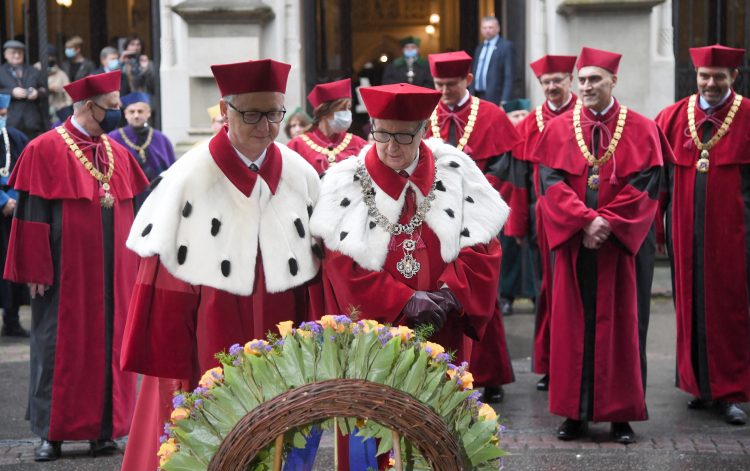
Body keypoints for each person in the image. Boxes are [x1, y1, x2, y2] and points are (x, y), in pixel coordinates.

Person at [119, 59, 323, 471]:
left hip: (284, 332)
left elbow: (321, 264)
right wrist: (173, 359)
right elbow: (164, 278)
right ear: (224, 110)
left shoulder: (301, 172)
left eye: (274, 114)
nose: (265, 126)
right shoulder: (188, 176)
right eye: (251, 114)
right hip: (210, 331)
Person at [310, 83, 509, 469]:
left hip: (443, 326)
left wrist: (453, 293)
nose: (391, 147)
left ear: (423, 130)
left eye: (404, 136)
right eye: (381, 134)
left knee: (440, 435)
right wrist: (402, 300)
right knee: (373, 432)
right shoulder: (343, 181)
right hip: (374, 336)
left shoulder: (456, 171)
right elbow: (340, 263)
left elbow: (483, 243)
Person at [3, 70, 148, 460]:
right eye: (113, 108)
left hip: (114, 272)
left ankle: (106, 430)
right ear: (89, 106)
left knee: (110, 347)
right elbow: (31, 213)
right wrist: (34, 269)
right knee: (58, 349)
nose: (117, 115)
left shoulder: (117, 153)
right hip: (65, 275)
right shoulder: (45, 148)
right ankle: (53, 433)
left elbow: (133, 212)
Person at [534, 47, 669, 443]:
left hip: (620, 249)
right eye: (583, 80)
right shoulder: (559, 130)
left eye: (596, 79)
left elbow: (647, 186)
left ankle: (621, 415)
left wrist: (606, 223)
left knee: (625, 327)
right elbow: (549, 181)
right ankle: (573, 414)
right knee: (571, 326)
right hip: (575, 243)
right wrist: (584, 220)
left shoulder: (642, 128)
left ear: (613, 81)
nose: (588, 86)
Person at [655, 44, 749, 426]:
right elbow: (658, 178)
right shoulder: (673, 116)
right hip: (684, 230)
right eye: (704, 76)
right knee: (690, 305)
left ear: (734, 78)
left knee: (730, 310)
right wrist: (656, 226)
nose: (710, 83)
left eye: (719, 77)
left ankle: (728, 391)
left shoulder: (747, 115)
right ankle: (698, 385)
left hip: (735, 235)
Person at [423, 51, 520, 403]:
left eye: (451, 84)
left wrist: (472, 200)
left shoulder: (491, 115)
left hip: (478, 221)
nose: (445, 91)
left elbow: (504, 170)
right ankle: (445, 368)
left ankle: (490, 373)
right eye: (438, 85)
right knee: (442, 290)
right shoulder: (426, 115)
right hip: (433, 220)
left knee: (482, 295)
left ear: (468, 80)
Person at [503, 54, 579, 392]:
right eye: (545, 82)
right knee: (546, 292)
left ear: (570, 80)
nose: (551, 87)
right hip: (541, 223)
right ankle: (549, 364)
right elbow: (518, 180)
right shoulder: (528, 125)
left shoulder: (584, 116)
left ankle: (579, 362)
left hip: (580, 220)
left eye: (557, 80)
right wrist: (518, 226)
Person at [107, 92, 175, 211]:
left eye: (140, 111)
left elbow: (172, 173)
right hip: (125, 202)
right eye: (132, 112)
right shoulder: (113, 139)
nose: (136, 115)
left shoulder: (161, 139)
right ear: (125, 114)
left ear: (148, 113)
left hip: (156, 201)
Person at [287, 79, 367, 174]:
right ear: (324, 112)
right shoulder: (296, 146)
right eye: (341, 108)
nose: (347, 113)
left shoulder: (360, 145)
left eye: (348, 108)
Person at [0, 94, 30, 337]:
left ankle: (12, 319)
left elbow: (28, 170)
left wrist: (13, 199)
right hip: (4, 205)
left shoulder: (16, 138)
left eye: (2, 114)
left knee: (11, 264)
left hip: (13, 211)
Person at [0, 40, 48, 139]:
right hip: (10, 121)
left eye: (20, 52)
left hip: (32, 121)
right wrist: (11, 92)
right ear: (5, 54)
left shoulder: (34, 71)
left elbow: (45, 90)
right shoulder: (1, 72)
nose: (17, 56)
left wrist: (37, 93)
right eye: (13, 52)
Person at [469, 16, 515, 105]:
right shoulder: (479, 48)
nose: (487, 30)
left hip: (495, 97)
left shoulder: (506, 46)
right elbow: (474, 72)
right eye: (484, 28)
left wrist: (505, 100)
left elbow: (509, 76)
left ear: (498, 28)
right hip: (477, 96)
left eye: (490, 27)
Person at [34, 44, 73, 117]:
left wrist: (65, 106)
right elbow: (30, 89)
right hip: (38, 113)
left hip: (57, 113)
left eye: (53, 56)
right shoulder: (34, 72)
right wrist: (48, 90)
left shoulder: (61, 74)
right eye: (48, 56)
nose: (50, 59)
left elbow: (69, 94)